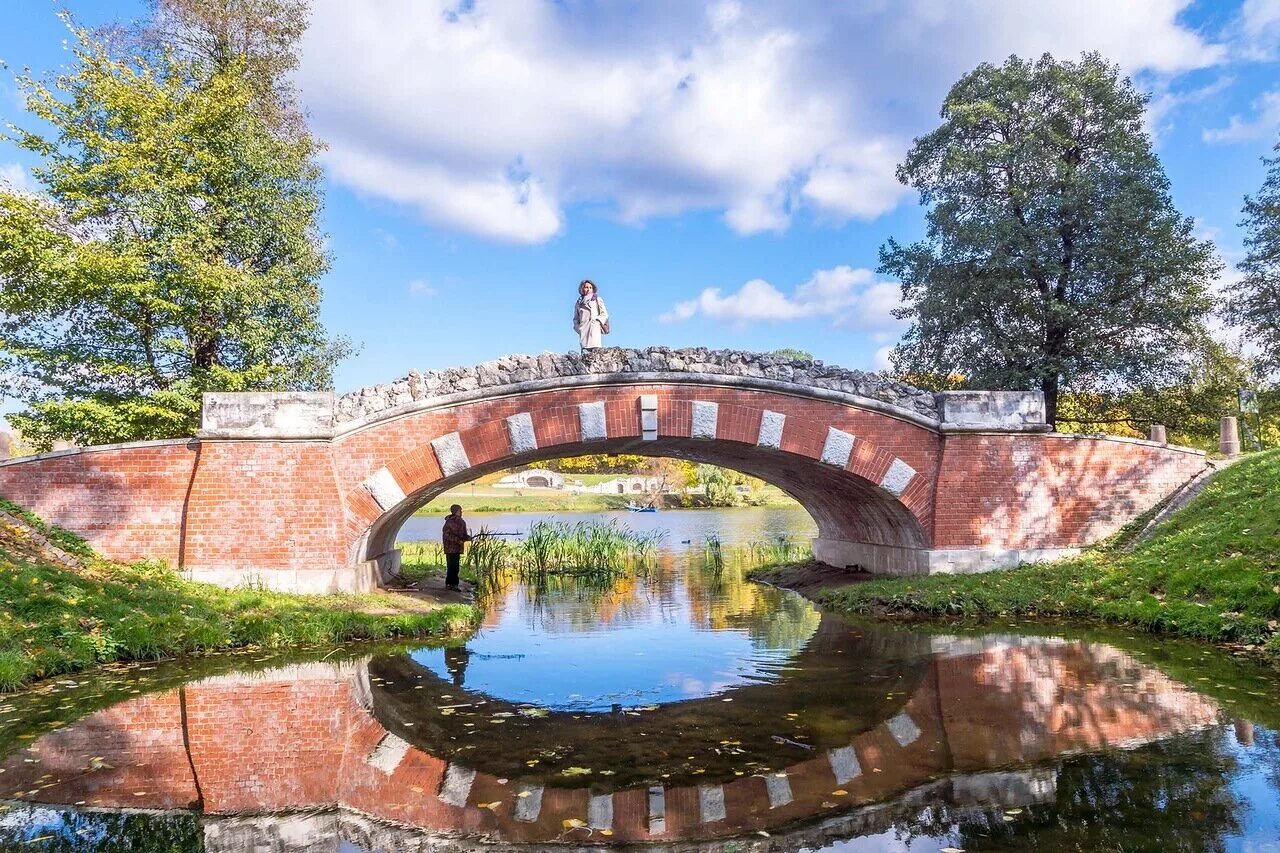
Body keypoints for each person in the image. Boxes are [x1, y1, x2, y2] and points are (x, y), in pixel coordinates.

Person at [441, 504, 472, 591]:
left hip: (452, 548)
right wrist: (459, 541)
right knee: (453, 567)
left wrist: (468, 538)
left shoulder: (457, 521)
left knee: (452, 566)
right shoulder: (452, 522)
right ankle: (453, 585)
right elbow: (447, 535)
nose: (461, 512)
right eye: (460, 511)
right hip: (452, 548)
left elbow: (463, 535)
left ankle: (450, 584)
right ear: (457, 511)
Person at [573, 279, 609, 350]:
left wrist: (597, 321)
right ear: (582, 288)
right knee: (585, 353)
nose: (588, 289)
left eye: (590, 287)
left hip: (594, 328)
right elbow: (576, 319)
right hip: (584, 330)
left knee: (596, 352)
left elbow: (604, 314)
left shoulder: (597, 299)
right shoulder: (579, 302)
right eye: (586, 287)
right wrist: (579, 328)